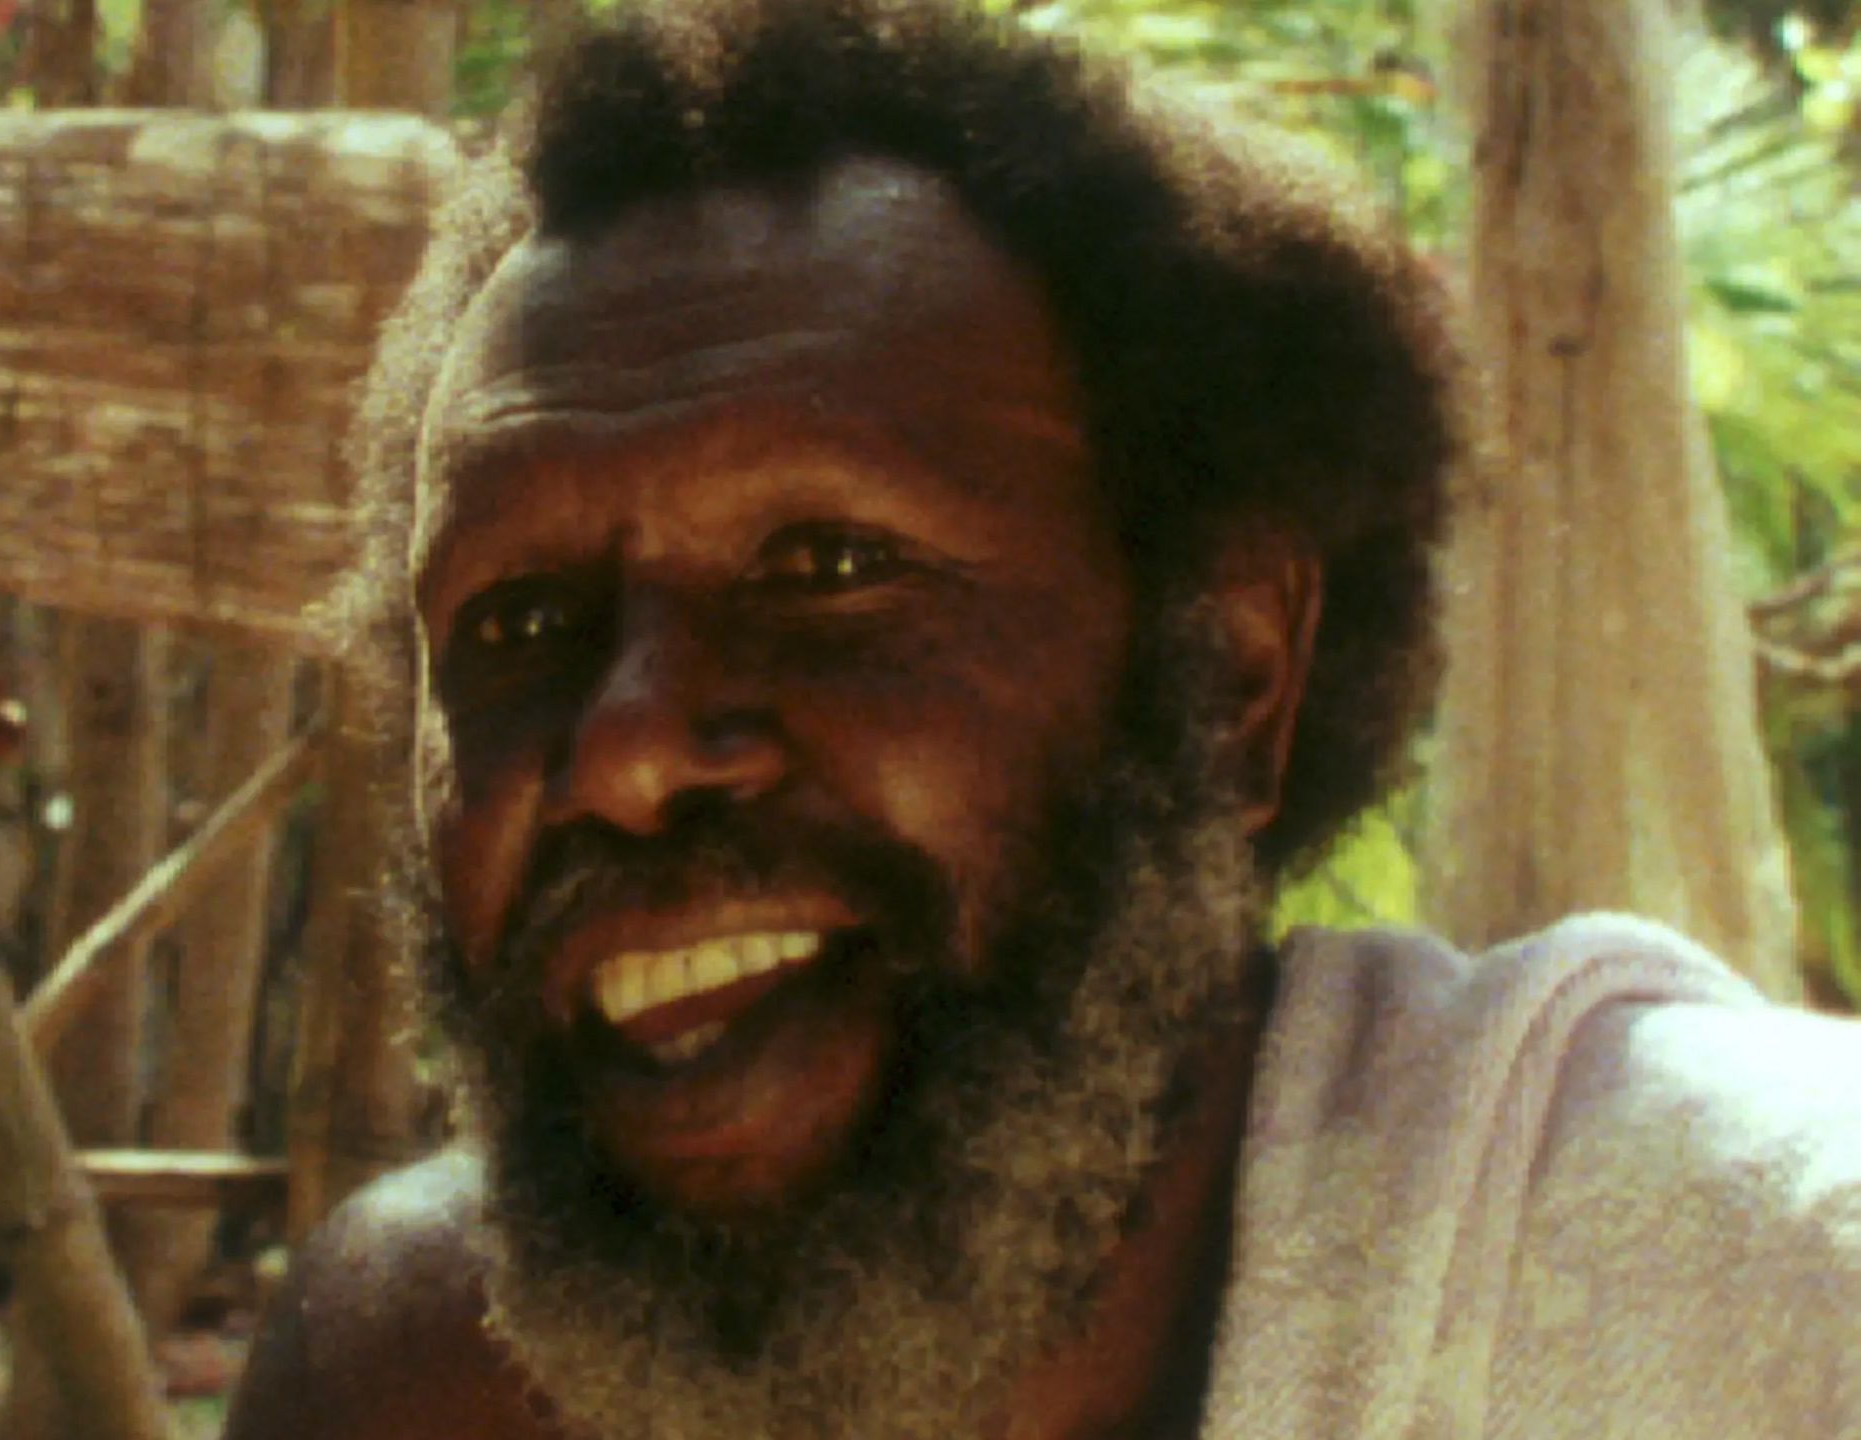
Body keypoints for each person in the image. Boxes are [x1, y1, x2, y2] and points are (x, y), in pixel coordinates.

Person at [222, 1, 1861, 1435]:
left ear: (1232, 678)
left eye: (828, 567)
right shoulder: (415, 1390)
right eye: (515, 626)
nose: (626, 749)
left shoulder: (1778, 1287)